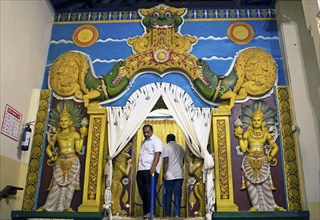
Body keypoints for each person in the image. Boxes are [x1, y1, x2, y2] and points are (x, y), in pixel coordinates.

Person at [234, 103, 285, 211]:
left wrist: (269, 157)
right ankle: (255, 206)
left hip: (263, 160)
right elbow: (243, 149)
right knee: (251, 184)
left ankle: (272, 205)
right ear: (252, 121)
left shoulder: (266, 135)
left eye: (258, 120)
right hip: (249, 160)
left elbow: (275, 147)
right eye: (255, 120)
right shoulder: (247, 134)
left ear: (263, 122)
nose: (256, 122)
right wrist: (239, 137)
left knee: (265, 183)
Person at [38, 104, 87, 211]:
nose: (64, 123)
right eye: (62, 121)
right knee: (56, 184)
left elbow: (78, 149)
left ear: (70, 122)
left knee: (70, 185)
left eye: (66, 121)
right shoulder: (57, 135)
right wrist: (52, 156)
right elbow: (48, 148)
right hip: (60, 160)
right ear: (59, 122)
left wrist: (82, 137)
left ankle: (65, 207)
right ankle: (48, 206)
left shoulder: (75, 135)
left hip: (73, 160)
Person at [137, 124, 163, 218]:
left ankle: (152, 212)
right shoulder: (144, 141)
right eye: (144, 132)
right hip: (141, 169)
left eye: (148, 132)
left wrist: (153, 167)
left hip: (150, 169)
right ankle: (146, 212)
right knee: (142, 191)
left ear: (152, 131)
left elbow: (157, 154)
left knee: (149, 191)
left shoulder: (156, 141)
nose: (146, 134)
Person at [162, 134, 185, 218]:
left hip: (169, 175)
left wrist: (164, 174)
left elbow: (165, 161)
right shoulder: (181, 147)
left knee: (168, 195)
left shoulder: (166, 147)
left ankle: (167, 214)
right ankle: (176, 214)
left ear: (167, 139)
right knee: (177, 195)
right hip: (179, 175)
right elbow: (183, 160)